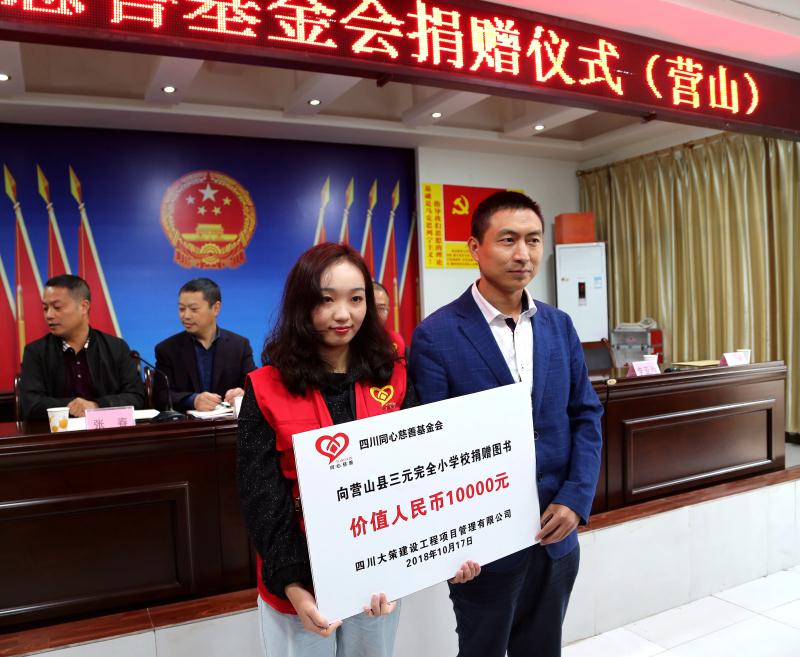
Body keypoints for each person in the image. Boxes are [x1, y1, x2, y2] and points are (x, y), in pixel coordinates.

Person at [236, 243, 478, 657]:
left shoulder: (394, 376)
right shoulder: (265, 388)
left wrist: (448, 549)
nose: (343, 314)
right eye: (326, 300)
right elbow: (262, 498)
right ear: (301, 304)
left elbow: (423, 471)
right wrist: (294, 585)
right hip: (300, 586)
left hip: (378, 578)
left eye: (356, 299)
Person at [409, 191, 603, 657]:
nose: (523, 254)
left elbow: (585, 413)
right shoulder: (435, 335)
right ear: (475, 248)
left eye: (533, 240)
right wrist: (454, 541)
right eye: (508, 239)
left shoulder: (559, 325)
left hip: (556, 533)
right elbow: (431, 448)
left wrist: (575, 498)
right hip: (484, 548)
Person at [19, 274, 145, 420]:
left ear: (84, 307)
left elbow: (136, 398)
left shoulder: (116, 347)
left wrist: (96, 406)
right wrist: (72, 407)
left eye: (57, 307)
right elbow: (31, 405)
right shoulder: (35, 352)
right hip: (58, 433)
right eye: (45, 308)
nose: (49, 315)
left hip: (107, 431)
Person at [154, 278, 255, 411]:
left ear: (216, 308)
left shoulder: (240, 346)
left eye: (194, 309)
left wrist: (242, 393)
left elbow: (255, 388)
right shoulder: (167, 349)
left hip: (230, 422)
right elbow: (161, 396)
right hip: (187, 422)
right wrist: (193, 400)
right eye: (181, 309)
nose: (186, 316)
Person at [373, 281, 406, 358]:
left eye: (381, 308)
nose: (375, 313)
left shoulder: (394, 340)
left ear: (388, 311)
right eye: (370, 307)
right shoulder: (349, 339)